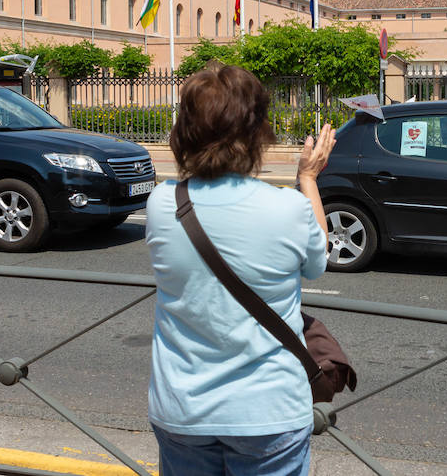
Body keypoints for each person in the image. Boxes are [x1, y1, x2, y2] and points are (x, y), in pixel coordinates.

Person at [144, 66, 336, 476]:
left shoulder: (162, 204)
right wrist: (308, 178)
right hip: (268, 411)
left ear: (184, 132)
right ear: (257, 132)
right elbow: (318, 263)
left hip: (182, 409)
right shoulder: (288, 208)